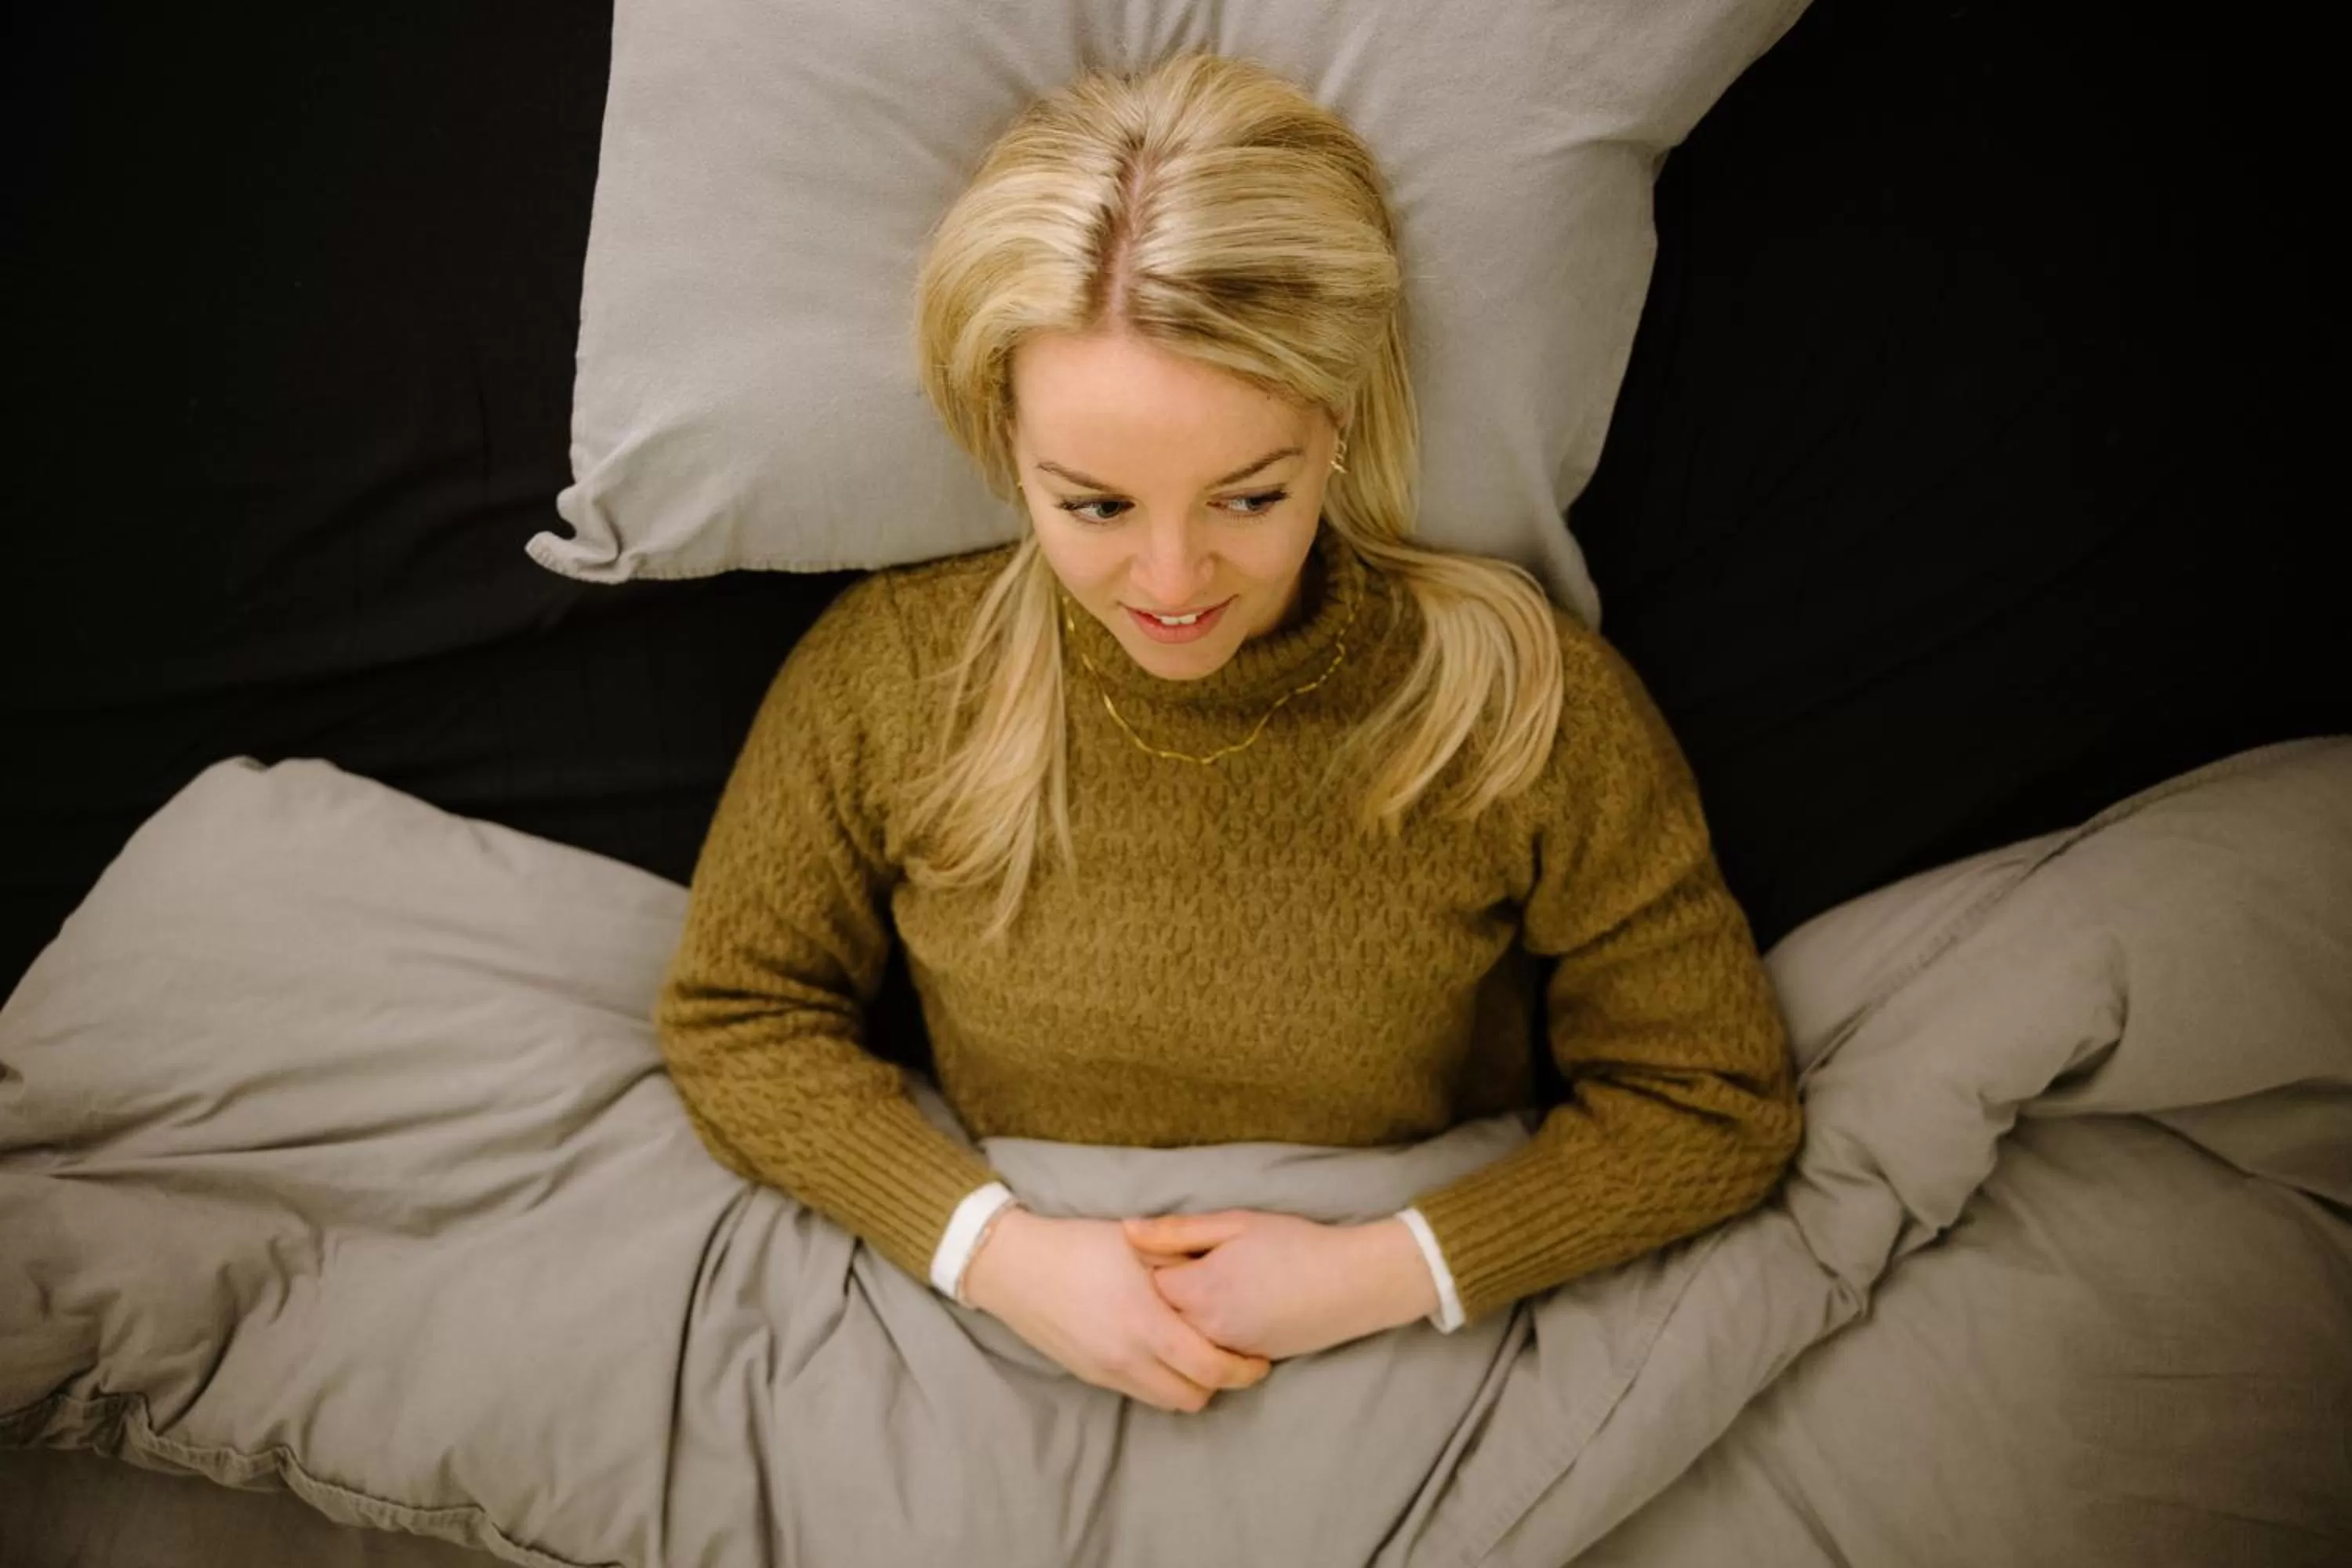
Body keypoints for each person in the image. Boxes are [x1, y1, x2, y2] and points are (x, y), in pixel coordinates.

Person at [653, 51, 1801, 1419]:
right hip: (1002, 1314)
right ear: (1002, 446)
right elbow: (735, 1018)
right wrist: (999, 1255)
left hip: (1399, 1332)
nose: (1176, 583)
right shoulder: (894, 677)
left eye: (1249, 498)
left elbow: (1714, 1099)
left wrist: (1379, 1275)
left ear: (1338, 426)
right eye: (1094, 507)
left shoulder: (1518, 703)